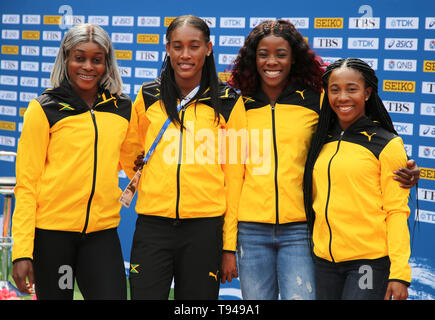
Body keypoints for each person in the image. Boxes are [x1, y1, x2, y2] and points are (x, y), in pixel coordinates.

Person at [222, 20, 419, 300]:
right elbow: (232, 176)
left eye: (281, 54)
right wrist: (228, 244)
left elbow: (358, 133)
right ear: (253, 59)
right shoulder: (240, 104)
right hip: (251, 232)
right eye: (263, 54)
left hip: (301, 231)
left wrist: (408, 169)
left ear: (294, 58)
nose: (272, 62)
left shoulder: (318, 99)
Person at [11, 23, 141, 299]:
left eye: (97, 59)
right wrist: (22, 252)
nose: (88, 66)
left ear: (107, 62)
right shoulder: (44, 109)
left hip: (101, 235)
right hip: (53, 237)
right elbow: (27, 184)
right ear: (66, 58)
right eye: (79, 57)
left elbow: (133, 165)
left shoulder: (121, 108)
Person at [120, 15, 246, 300]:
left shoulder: (228, 101)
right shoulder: (149, 95)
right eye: (177, 46)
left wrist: (228, 246)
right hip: (153, 226)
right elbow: (131, 151)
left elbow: (234, 177)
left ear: (209, 48)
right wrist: (152, 185)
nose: (185, 55)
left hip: (204, 228)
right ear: (168, 49)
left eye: (194, 46)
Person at [303, 58, 412, 300]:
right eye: (335, 89)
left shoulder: (387, 144)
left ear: (367, 93)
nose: (342, 97)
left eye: (352, 89)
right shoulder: (321, 140)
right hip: (324, 261)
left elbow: (396, 211)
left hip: (368, 262)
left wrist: (399, 273)